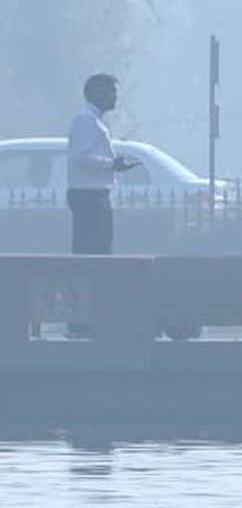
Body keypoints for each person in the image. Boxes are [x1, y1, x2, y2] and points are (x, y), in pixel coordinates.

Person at [64, 74, 139, 336]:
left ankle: (89, 318)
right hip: (89, 196)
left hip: (93, 194)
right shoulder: (87, 120)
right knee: (92, 257)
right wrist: (111, 165)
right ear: (96, 93)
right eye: (111, 92)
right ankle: (82, 321)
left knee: (97, 254)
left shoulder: (92, 120)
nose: (115, 97)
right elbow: (80, 156)